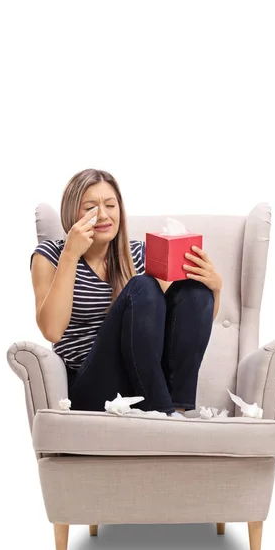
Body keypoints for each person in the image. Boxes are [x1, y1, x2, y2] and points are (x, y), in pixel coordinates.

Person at [30, 168, 223, 417]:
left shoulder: (139, 253)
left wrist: (215, 288)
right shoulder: (50, 255)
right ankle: (162, 410)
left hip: (141, 380)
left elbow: (186, 325)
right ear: (72, 213)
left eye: (110, 205)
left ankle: (176, 410)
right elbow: (52, 331)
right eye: (90, 207)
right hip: (92, 386)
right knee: (142, 286)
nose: (102, 215)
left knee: (193, 289)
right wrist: (71, 253)